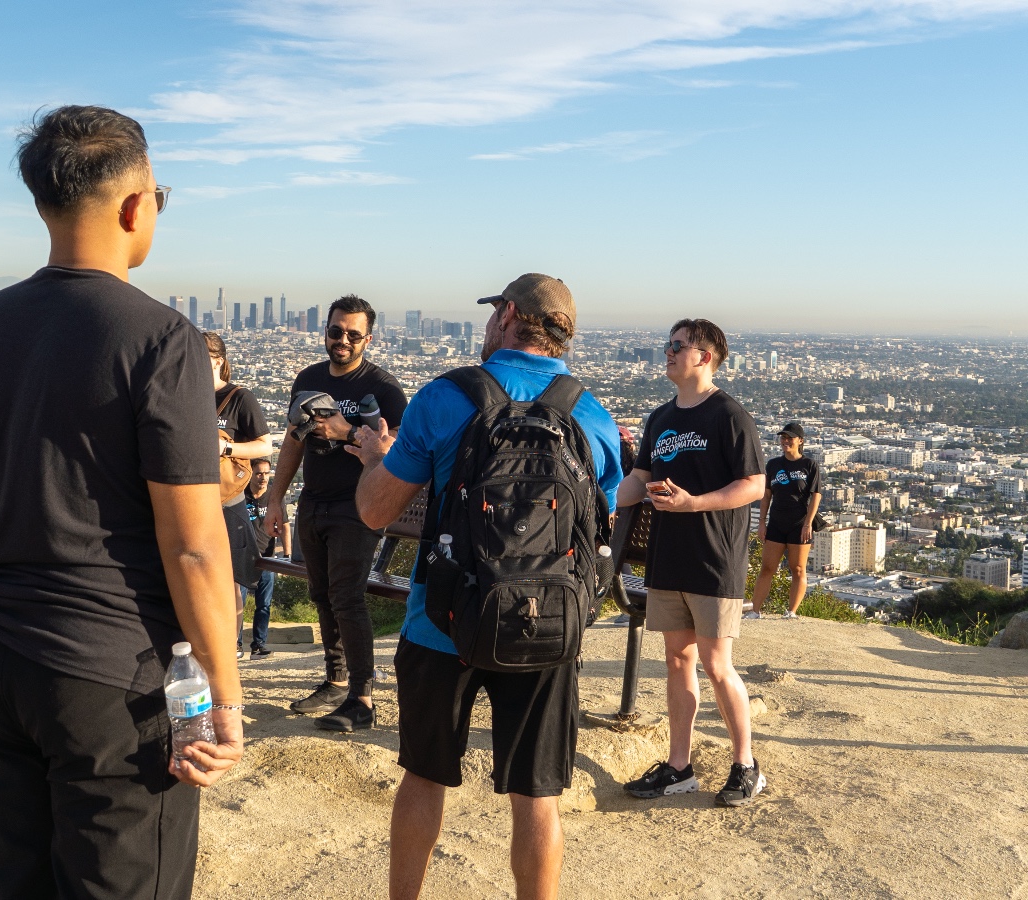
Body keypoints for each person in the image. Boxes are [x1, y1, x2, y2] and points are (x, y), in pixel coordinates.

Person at [0, 105, 243, 900]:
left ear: (43, 205)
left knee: (10, 877)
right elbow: (195, 546)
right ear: (138, 205)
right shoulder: (160, 340)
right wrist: (224, 695)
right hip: (114, 679)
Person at [346, 274, 623, 900]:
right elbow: (594, 525)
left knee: (424, 778)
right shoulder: (592, 414)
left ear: (507, 315)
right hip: (548, 626)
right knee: (538, 798)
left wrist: (372, 460)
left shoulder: (445, 398)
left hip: (442, 623)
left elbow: (375, 513)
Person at [617, 318, 768, 808]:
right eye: (668, 344)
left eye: (677, 346)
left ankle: (746, 764)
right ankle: (679, 767)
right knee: (677, 660)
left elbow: (754, 484)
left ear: (704, 356)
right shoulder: (660, 417)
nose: (668, 352)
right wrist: (605, 486)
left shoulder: (729, 415)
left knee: (716, 664)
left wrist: (694, 503)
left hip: (713, 559)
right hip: (668, 557)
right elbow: (639, 479)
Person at [263, 294, 407, 733]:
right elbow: (293, 440)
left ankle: (362, 698)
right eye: (335, 331)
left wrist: (347, 431)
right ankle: (335, 680)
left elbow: (400, 447)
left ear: (369, 338)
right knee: (321, 595)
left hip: (359, 505)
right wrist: (275, 498)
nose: (342, 340)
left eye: (352, 334)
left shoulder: (382, 388)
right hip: (315, 500)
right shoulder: (307, 378)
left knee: (347, 596)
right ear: (325, 330)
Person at [205, 331, 274, 660]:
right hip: (193, 497)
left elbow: (265, 445)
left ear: (217, 360)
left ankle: (231, 645)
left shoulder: (238, 397)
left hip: (227, 498)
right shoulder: (184, 395)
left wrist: (227, 446)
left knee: (234, 576)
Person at [748, 422, 822, 620]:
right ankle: (755, 611)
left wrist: (808, 523)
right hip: (776, 523)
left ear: (800, 441)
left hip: (799, 524)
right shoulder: (773, 464)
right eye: (783, 437)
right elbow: (766, 496)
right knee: (767, 568)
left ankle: (792, 611)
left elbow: (816, 496)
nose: (785, 441)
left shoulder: (809, 465)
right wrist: (762, 522)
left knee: (798, 568)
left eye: (790, 438)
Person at [243, 457, 287, 659]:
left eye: (266, 473)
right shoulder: (240, 494)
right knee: (237, 604)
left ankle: (258, 645)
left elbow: (284, 525)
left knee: (264, 604)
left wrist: (287, 555)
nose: (263, 478)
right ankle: (235, 645)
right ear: (251, 473)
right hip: (242, 557)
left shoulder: (274, 497)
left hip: (267, 557)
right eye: (259, 473)